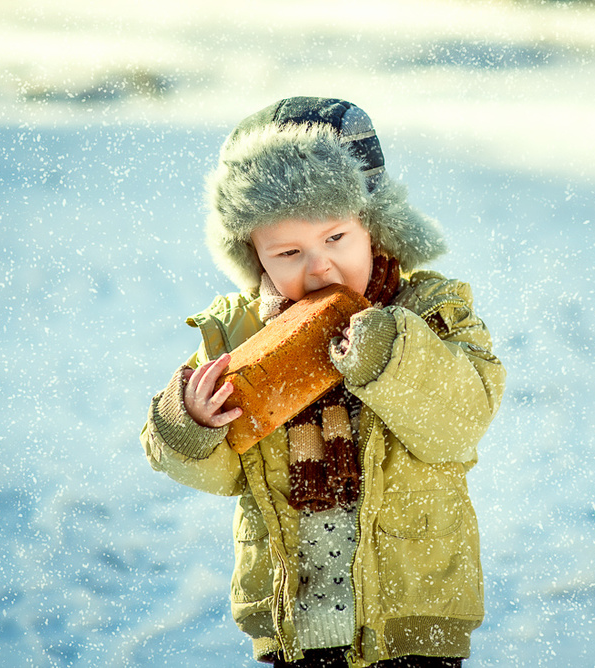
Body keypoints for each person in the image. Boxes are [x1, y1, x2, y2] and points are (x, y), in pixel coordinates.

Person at [140, 97, 505, 668]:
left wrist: (389, 356)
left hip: (415, 614)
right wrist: (192, 424)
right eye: (289, 252)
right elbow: (220, 470)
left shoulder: (430, 313)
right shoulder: (238, 334)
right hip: (296, 616)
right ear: (255, 257)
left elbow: (459, 423)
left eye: (336, 239)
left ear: (376, 229)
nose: (319, 268)